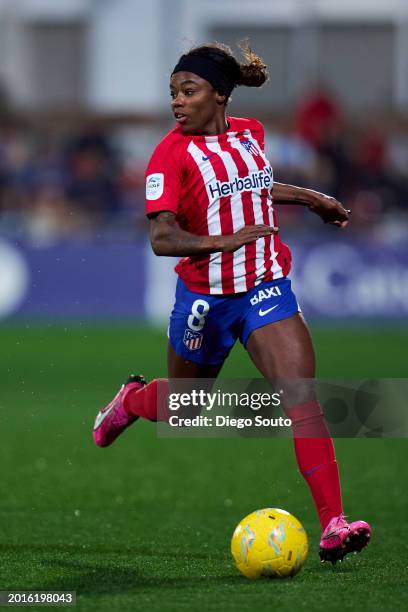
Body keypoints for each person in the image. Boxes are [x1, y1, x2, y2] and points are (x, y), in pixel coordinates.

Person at [92, 42, 371, 564]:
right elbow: (162, 237)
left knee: (300, 398)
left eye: (189, 91)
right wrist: (221, 242)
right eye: (173, 92)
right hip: (205, 298)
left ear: (219, 95)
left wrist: (311, 199)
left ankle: (334, 523)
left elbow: (257, 187)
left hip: (264, 285)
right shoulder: (169, 154)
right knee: (187, 405)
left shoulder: (251, 134)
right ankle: (130, 401)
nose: (177, 102)